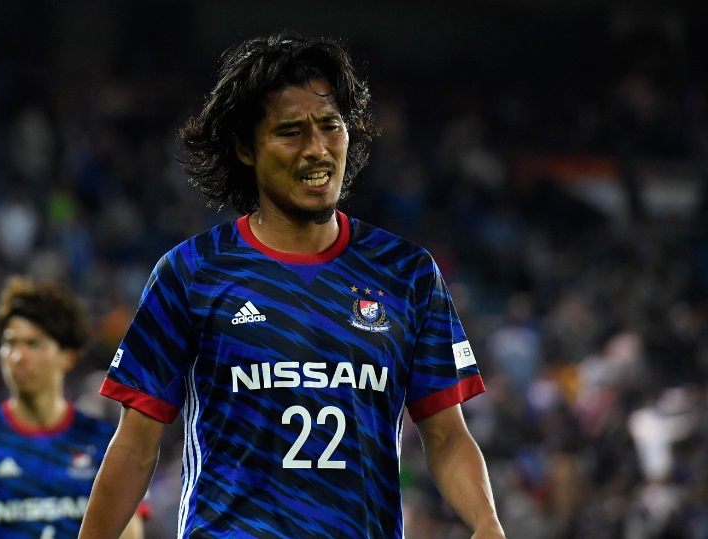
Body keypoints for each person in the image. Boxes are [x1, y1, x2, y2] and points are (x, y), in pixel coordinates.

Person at [79, 31, 506, 539]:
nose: (317, 149)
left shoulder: (406, 273)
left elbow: (447, 436)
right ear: (245, 147)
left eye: (330, 126)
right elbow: (135, 446)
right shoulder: (191, 272)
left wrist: (486, 522)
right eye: (290, 131)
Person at [0, 276, 147, 538]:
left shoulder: (105, 446)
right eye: (10, 343)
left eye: (33, 343)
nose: (18, 357)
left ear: (68, 356)